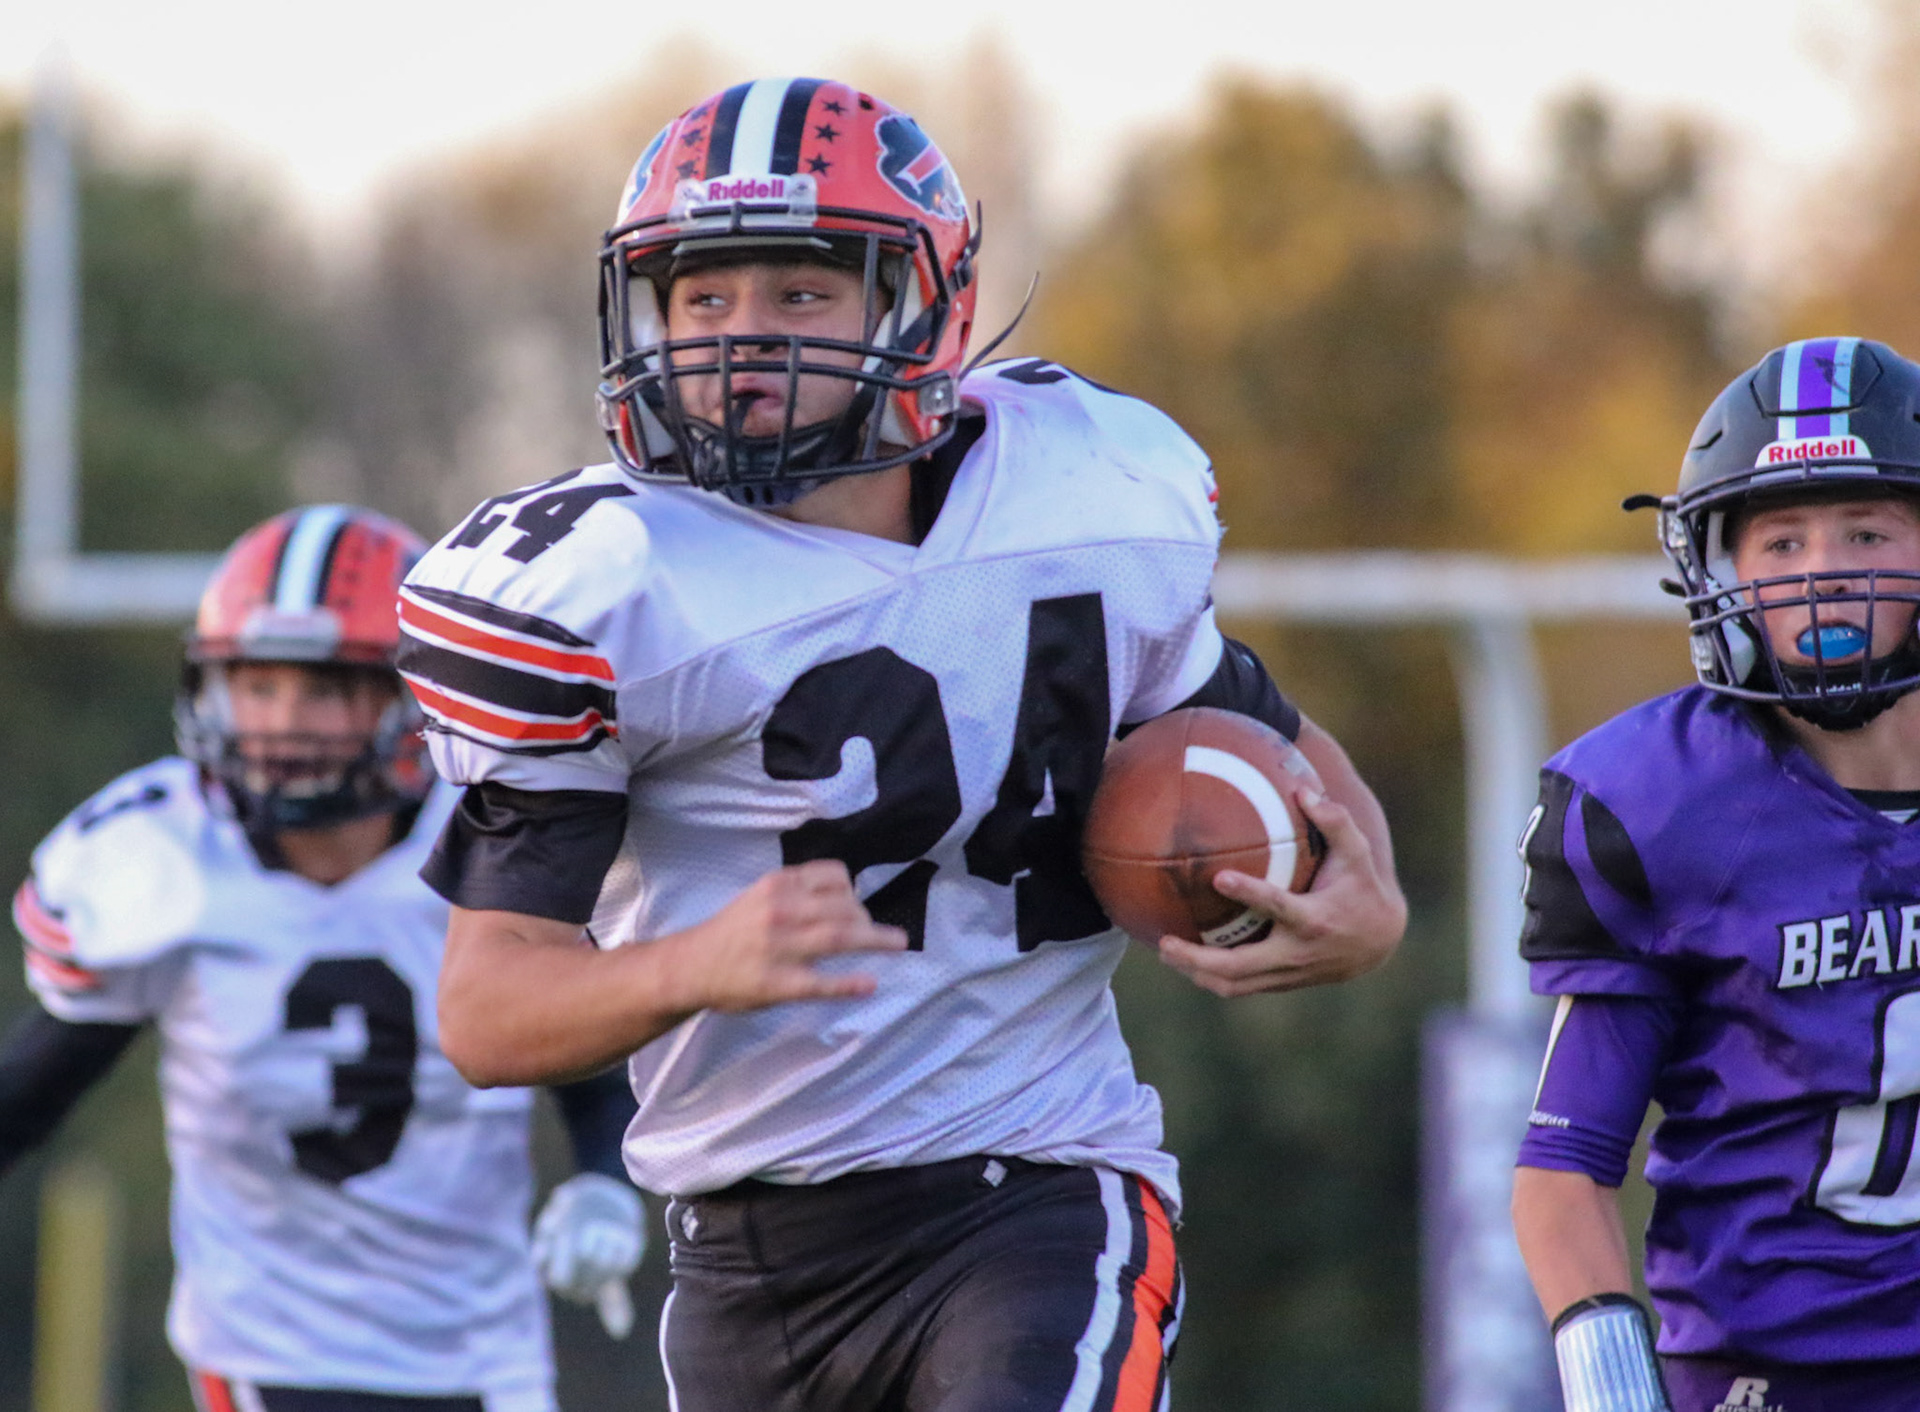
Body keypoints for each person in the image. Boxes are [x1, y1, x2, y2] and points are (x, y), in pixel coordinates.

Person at [397, 78, 1405, 1412]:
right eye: (703, 299)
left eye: (800, 295)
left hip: (1036, 1186)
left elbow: (1259, 732)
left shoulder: (1088, 499)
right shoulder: (613, 588)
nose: (741, 340)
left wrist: (1370, 898)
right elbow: (486, 1008)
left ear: (922, 308)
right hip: (741, 1250)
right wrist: (694, 963)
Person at [0, 506, 646, 1412]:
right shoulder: (162, 855)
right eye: (257, 687)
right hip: (262, 1349)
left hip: (480, 1349)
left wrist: (604, 1185)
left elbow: (590, 1070)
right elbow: (36, 1085)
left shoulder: (493, 843)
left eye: (323, 690)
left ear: (406, 697)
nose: (284, 725)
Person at [1512, 337, 1920, 1412]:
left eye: (1867, 531)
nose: (1824, 568)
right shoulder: (1661, 805)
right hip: (1769, 1377)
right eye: (1780, 539)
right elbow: (1561, 1175)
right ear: (1720, 568)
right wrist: (1616, 1395)